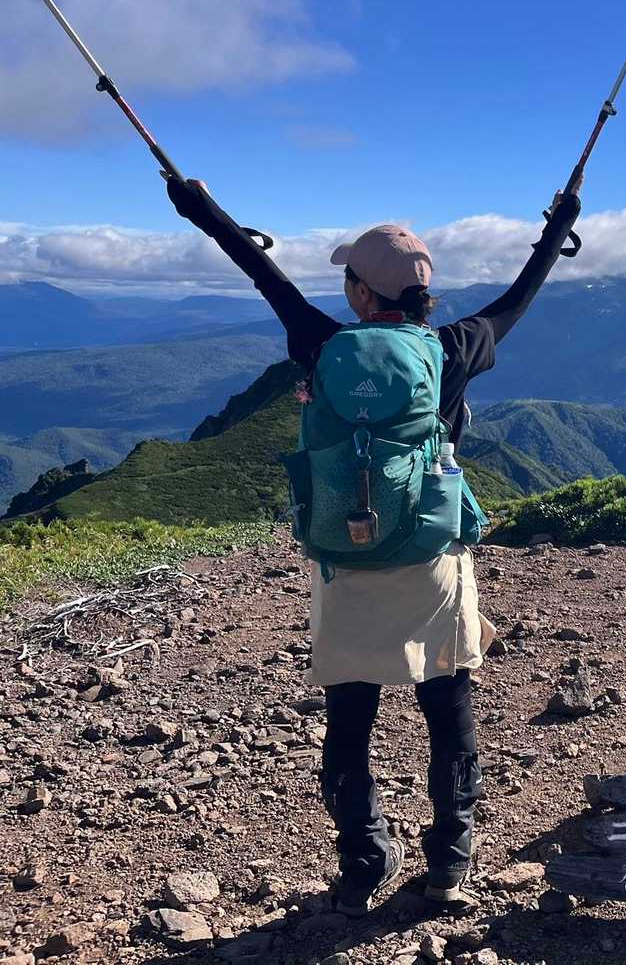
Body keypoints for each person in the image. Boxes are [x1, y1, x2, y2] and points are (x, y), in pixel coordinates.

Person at [166, 176, 580, 914]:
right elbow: (520, 295)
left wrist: (200, 207)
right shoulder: (454, 347)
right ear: (424, 295)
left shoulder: (321, 342)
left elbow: (261, 271)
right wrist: (558, 226)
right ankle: (449, 860)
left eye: (348, 281)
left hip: (346, 558)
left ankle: (363, 864)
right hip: (431, 561)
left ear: (361, 293)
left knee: (350, 718)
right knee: (447, 707)